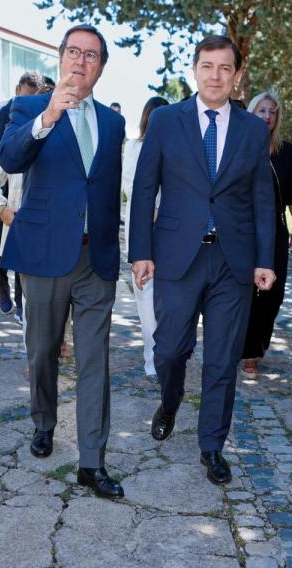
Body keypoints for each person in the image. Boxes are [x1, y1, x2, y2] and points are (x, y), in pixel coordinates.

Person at [129, 35, 276, 487]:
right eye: (207, 66)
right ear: (194, 70)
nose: (215, 75)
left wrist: (265, 259)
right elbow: (145, 188)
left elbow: (262, 199)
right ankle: (170, 400)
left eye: (224, 68)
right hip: (176, 257)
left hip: (233, 261)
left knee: (222, 359)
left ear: (236, 75)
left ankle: (212, 446)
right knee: (170, 349)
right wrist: (140, 252)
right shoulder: (166, 121)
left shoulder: (253, 129)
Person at [0, 23, 126, 500]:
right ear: (61, 57)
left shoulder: (112, 123)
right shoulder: (29, 108)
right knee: (43, 351)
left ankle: (92, 461)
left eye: (92, 55)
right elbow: (9, 158)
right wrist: (49, 115)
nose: (81, 61)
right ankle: (44, 422)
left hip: (96, 258)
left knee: (95, 361)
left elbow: (105, 189)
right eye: (74, 52)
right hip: (44, 255)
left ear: (101, 67)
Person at [240, 91, 292, 375]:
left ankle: (259, 340)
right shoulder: (239, 145)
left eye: (272, 112)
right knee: (249, 292)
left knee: (273, 293)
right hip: (244, 229)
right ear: (252, 113)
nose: (267, 116)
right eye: (262, 110)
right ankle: (249, 351)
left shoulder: (284, 150)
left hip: (276, 230)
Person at [0, 71, 44, 317]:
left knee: (22, 254)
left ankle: (20, 302)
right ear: (17, 90)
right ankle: (3, 290)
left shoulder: (40, 121)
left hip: (26, 198)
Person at [121, 96, 169, 379]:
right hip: (141, 230)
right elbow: (131, 186)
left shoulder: (178, 147)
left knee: (169, 299)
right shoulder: (134, 147)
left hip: (169, 230)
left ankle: (169, 354)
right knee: (146, 298)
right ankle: (153, 360)